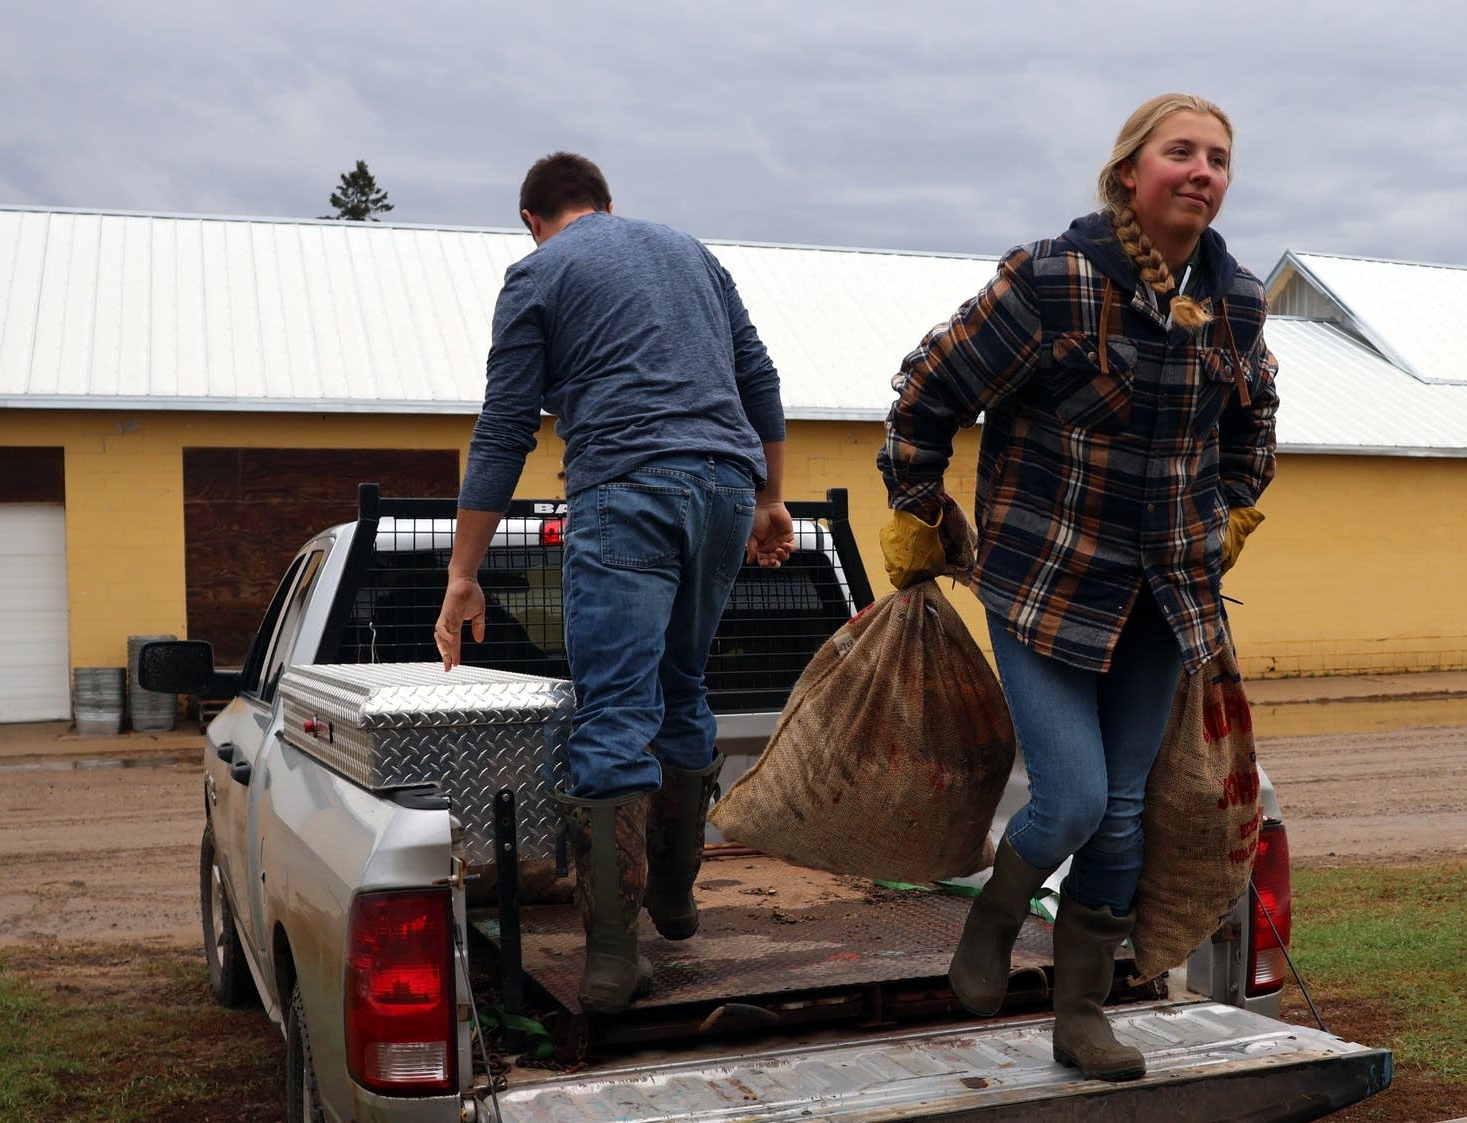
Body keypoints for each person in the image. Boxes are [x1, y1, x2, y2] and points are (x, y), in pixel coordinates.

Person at [877, 93, 1278, 1082]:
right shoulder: (1052, 278)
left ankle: (1081, 1014)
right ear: (1128, 171)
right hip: (1044, 580)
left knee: (1128, 808)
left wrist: (1227, 503)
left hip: (1160, 595)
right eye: (1180, 151)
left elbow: (1253, 419)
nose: (1202, 170)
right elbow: (931, 385)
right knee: (1075, 796)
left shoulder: (1234, 302)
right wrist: (918, 501)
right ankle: (996, 915)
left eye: (1218, 159)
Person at [436, 152, 794, 1015]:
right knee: (682, 687)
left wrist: (462, 574)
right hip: (722, 488)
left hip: (627, 486)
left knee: (615, 710)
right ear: (606, 204)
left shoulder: (536, 274)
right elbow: (760, 379)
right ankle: (673, 895)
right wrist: (771, 498)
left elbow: (506, 429)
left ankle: (608, 960)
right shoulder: (690, 253)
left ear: (530, 218)